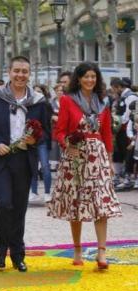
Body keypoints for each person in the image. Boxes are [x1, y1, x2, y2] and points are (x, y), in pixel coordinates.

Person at [0, 56, 50, 272]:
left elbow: (46, 132)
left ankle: (18, 254)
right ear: (9, 72)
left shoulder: (38, 101)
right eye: (16, 71)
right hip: (0, 159)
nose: (20, 75)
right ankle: (0, 251)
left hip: (24, 160)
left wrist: (35, 139)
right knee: (3, 203)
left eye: (24, 72)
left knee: (19, 208)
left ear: (30, 74)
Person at [48, 62, 122, 269]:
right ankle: (78, 249)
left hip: (97, 158)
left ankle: (102, 253)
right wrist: (67, 144)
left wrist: (108, 161)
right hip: (76, 159)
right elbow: (59, 131)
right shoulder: (67, 101)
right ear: (78, 79)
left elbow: (107, 134)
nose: (90, 80)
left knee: (102, 204)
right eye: (86, 76)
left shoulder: (104, 102)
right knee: (76, 204)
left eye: (93, 76)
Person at [110, 77, 138, 190]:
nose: (113, 91)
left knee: (129, 154)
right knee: (119, 152)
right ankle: (119, 176)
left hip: (127, 129)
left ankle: (129, 178)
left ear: (119, 87)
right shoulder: (122, 97)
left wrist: (117, 121)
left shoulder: (130, 96)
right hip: (122, 129)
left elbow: (129, 115)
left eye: (113, 88)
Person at [29, 84, 54, 203]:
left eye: (39, 91)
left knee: (45, 166)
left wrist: (47, 138)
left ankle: (47, 192)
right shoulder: (27, 103)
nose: (36, 93)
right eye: (35, 91)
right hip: (30, 139)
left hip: (42, 139)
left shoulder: (45, 104)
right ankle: (33, 192)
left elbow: (47, 124)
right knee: (32, 166)